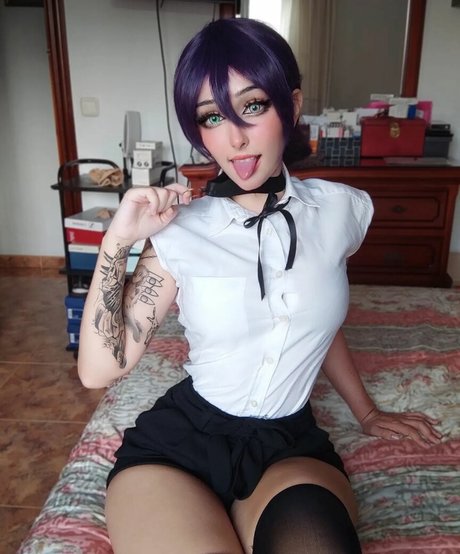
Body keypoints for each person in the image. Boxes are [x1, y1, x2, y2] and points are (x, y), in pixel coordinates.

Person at [78, 17, 442, 554]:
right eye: (212, 117)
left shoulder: (340, 211)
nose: (235, 138)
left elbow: (315, 321)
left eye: (253, 106)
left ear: (291, 105)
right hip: (179, 447)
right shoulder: (180, 232)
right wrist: (117, 242)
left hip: (287, 446)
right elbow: (97, 371)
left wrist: (366, 412)